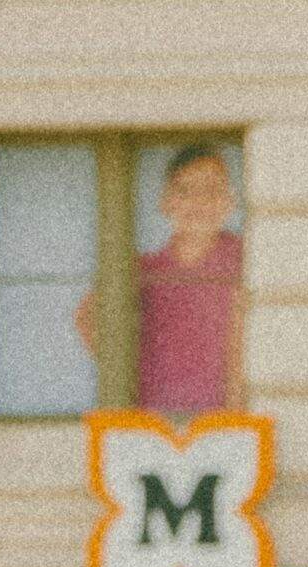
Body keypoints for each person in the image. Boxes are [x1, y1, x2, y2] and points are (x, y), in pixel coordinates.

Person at [76, 144, 243, 415]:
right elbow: (88, 316)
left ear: (229, 201)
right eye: (185, 191)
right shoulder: (145, 269)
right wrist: (128, 376)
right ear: (165, 201)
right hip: (154, 415)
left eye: (211, 190)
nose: (198, 202)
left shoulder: (245, 258)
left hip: (228, 420)